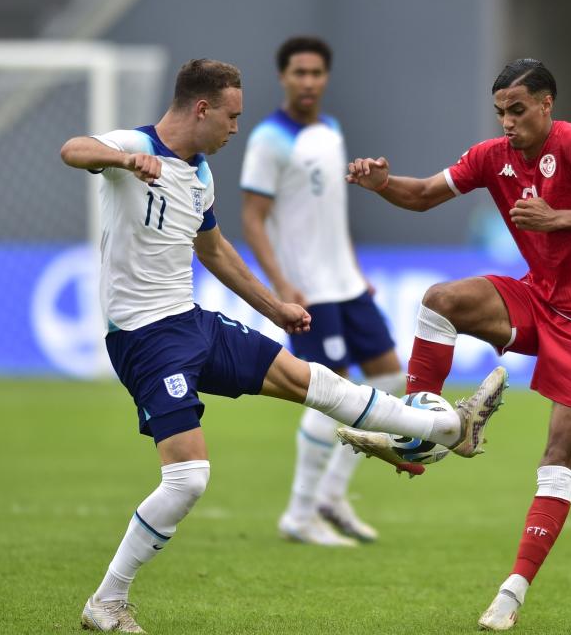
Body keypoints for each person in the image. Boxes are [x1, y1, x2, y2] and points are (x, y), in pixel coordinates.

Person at [60, 58, 507, 633]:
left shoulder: (200, 175)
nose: (235, 128)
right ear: (201, 108)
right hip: (145, 339)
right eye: (230, 116)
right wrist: (123, 158)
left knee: (308, 379)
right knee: (188, 479)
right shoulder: (131, 146)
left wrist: (275, 307)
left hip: (193, 322)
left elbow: (215, 251)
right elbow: (74, 149)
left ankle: (444, 429)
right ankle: (107, 600)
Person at [345, 59, 571, 631]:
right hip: (539, 299)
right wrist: (382, 183)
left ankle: (511, 592)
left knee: (559, 458)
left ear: (546, 104)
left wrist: (556, 219)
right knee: (440, 301)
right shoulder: (492, 156)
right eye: (500, 113)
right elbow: (422, 196)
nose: (507, 122)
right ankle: (424, 434)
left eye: (517, 110)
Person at [240, 37, 404, 547]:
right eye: (298, 73)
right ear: (283, 77)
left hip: (347, 284)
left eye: (316, 73)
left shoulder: (331, 130)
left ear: (326, 77)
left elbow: (332, 212)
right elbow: (252, 218)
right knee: (327, 394)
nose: (308, 81)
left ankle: (331, 494)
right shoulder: (269, 138)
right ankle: (299, 512)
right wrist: (282, 284)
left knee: (391, 376)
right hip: (308, 289)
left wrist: (354, 268)